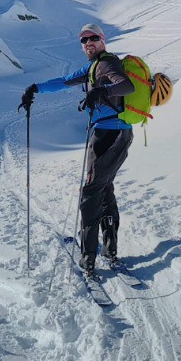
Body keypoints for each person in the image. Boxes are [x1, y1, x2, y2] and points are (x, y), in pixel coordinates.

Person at [20, 23, 134, 278]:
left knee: (91, 191)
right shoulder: (93, 67)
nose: (88, 42)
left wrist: (101, 91)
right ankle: (109, 248)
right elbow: (64, 82)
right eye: (84, 40)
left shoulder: (106, 64)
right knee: (103, 188)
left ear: (103, 40)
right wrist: (35, 88)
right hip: (113, 133)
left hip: (110, 134)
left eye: (93, 38)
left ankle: (89, 256)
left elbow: (127, 86)